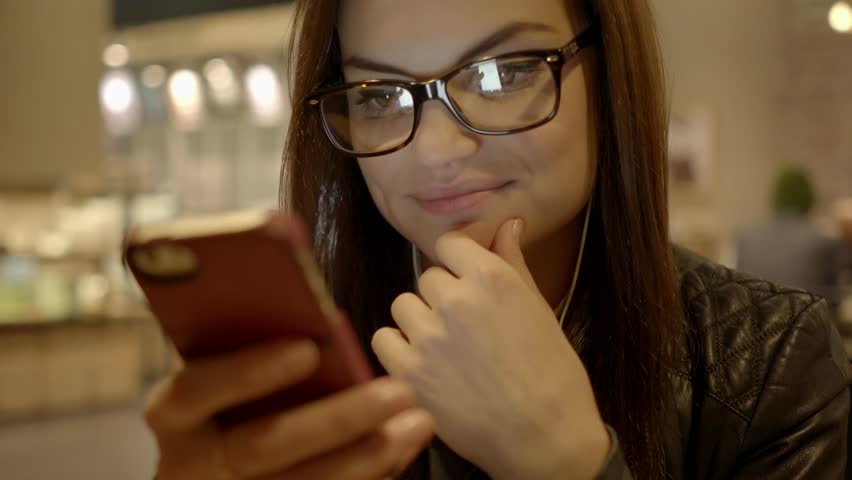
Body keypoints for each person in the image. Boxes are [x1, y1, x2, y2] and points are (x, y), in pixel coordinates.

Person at [144, 0, 851, 478]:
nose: (439, 149)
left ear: (609, 81)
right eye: (380, 96)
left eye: (503, 73)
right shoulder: (304, 351)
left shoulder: (768, 358)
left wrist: (571, 464)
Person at [737, 166, 842, 307]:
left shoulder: (745, 238)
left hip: (754, 325)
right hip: (805, 325)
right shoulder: (822, 242)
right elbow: (834, 301)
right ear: (810, 199)